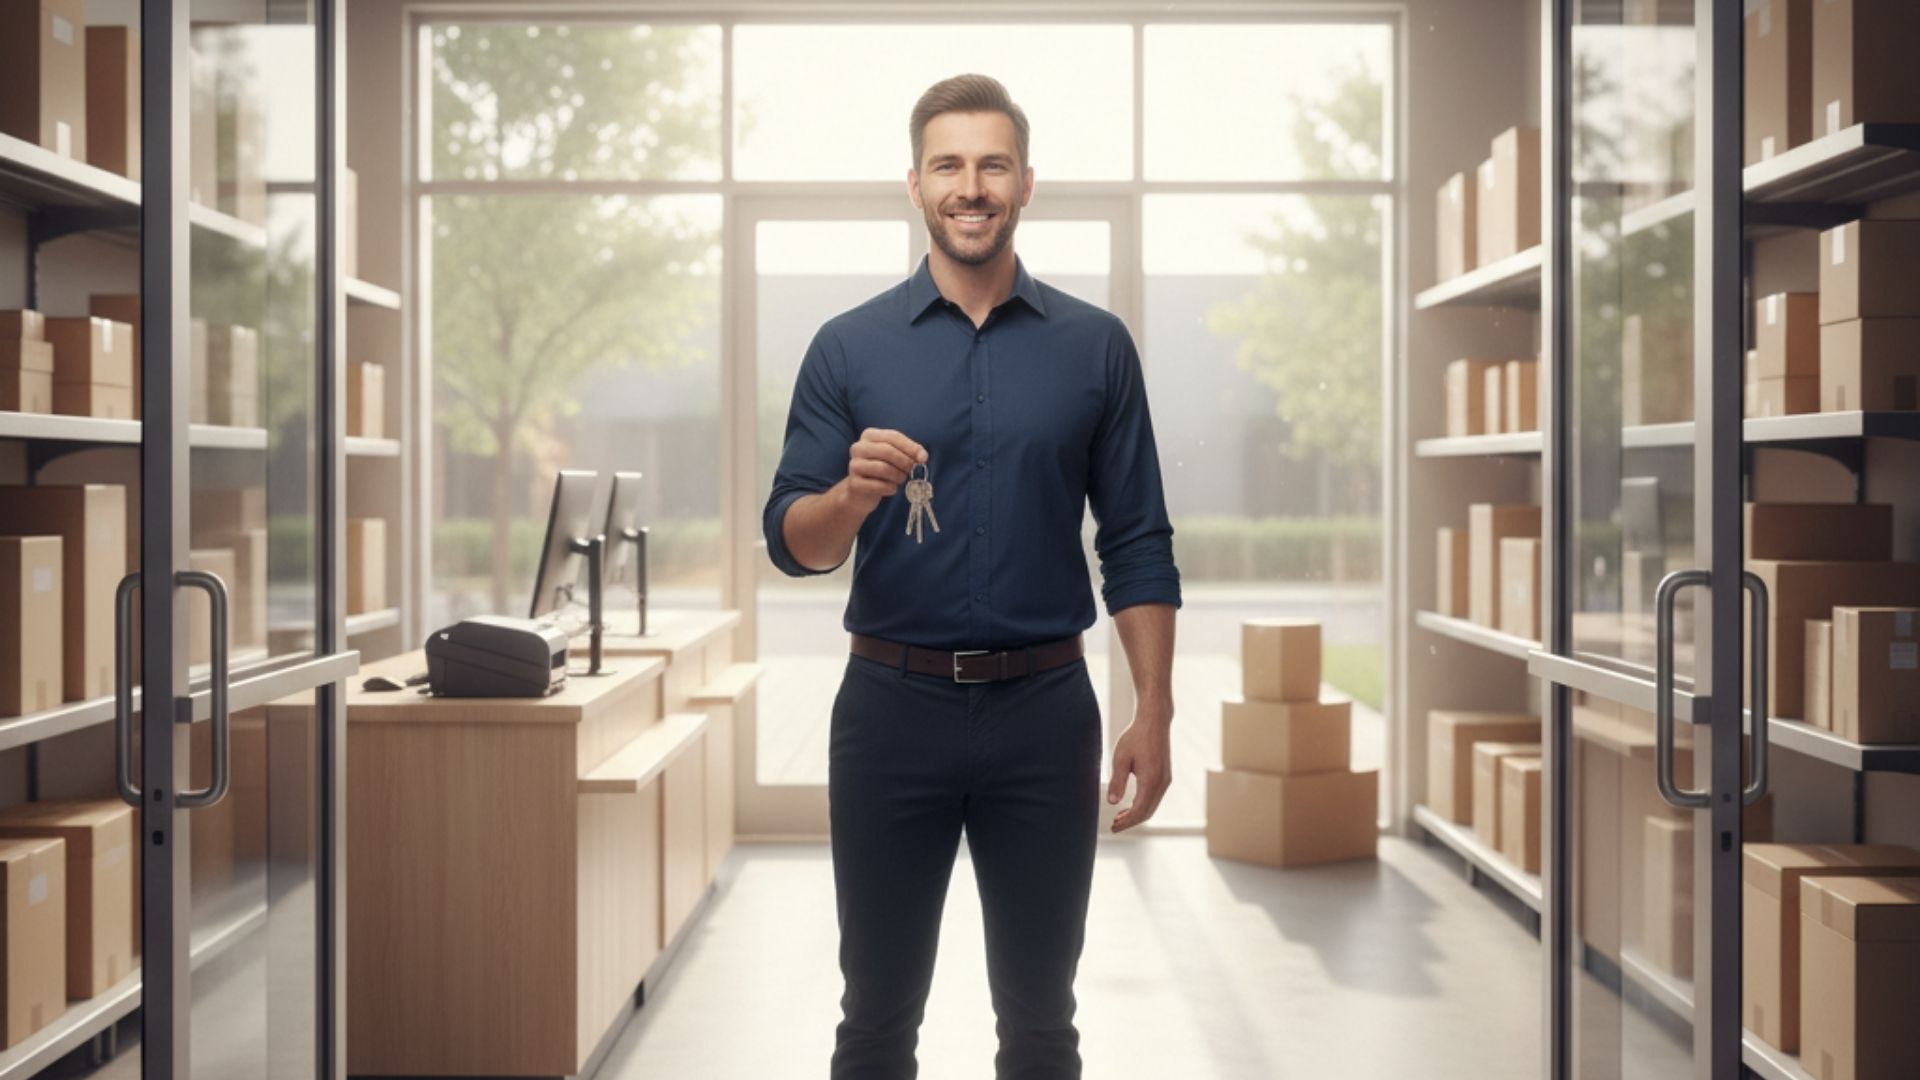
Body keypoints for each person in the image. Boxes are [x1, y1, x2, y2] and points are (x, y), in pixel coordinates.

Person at [762, 72, 1182, 1080]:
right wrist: (852, 498)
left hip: (1045, 714)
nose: (972, 185)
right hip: (888, 713)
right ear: (915, 184)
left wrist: (1155, 709)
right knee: (874, 1019)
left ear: (1027, 182)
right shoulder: (846, 348)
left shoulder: (1096, 348)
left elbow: (1136, 541)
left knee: (1042, 1024)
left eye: (993, 163)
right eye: (949, 164)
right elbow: (792, 542)